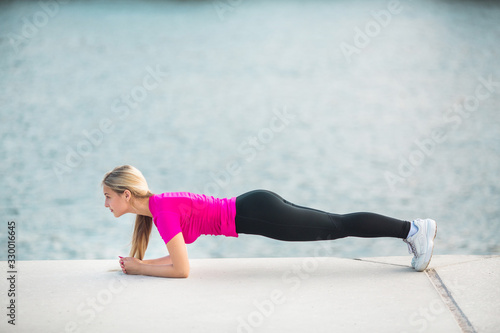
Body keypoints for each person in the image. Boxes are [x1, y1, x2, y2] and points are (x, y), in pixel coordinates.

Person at [102, 165, 437, 278]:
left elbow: (182, 270)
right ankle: (412, 230)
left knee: (338, 226)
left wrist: (141, 268)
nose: (106, 204)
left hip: (257, 213)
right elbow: (177, 260)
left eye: (108, 197)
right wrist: (141, 263)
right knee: (337, 223)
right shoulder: (160, 208)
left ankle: (413, 230)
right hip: (256, 207)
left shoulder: (161, 211)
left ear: (126, 195)